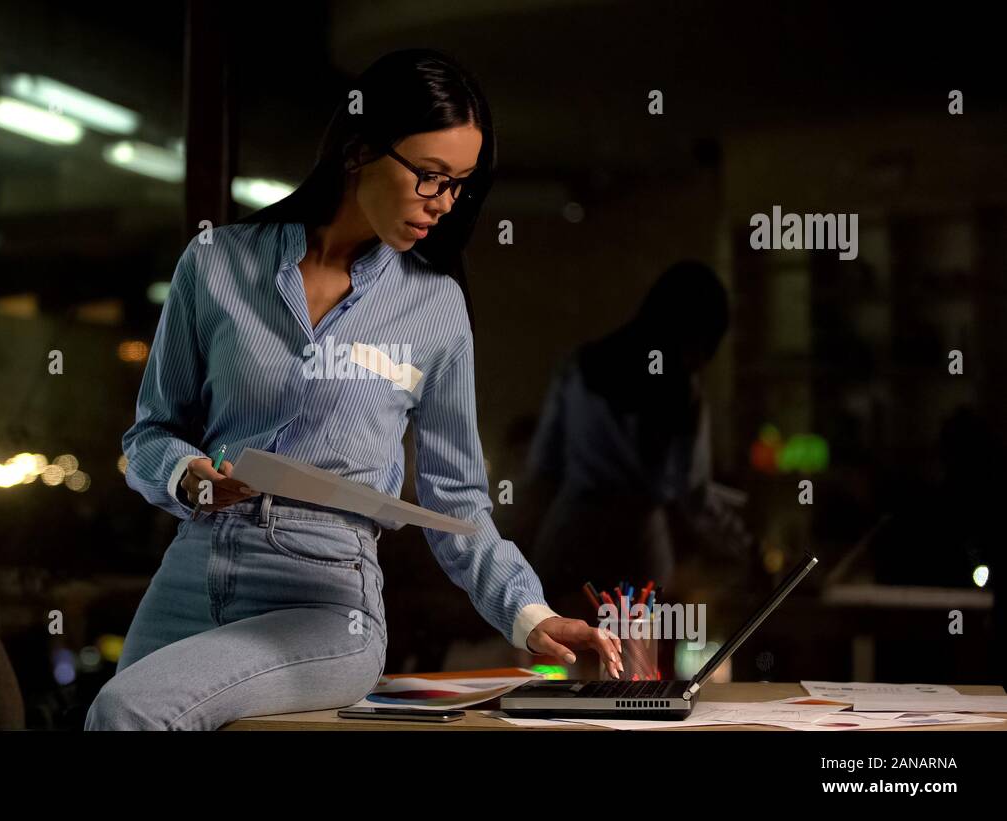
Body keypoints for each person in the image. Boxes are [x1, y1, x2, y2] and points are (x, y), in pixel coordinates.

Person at [85, 49, 622, 730]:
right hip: (193, 571)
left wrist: (531, 613)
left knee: (129, 707)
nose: (444, 202)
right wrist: (188, 477)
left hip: (325, 599)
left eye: (458, 184)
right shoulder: (216, 263)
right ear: (359, 151)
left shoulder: (434, 307)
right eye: (430, 176)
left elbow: (456, 501)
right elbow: (151, 433)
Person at [521, 260, 752, 616]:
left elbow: (542, 465)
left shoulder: (578, 366)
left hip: (570, 538)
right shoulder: (683, 392)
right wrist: (744, 545)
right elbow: (692, 492)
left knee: (558, 654)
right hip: (637, 550)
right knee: (635, 660)